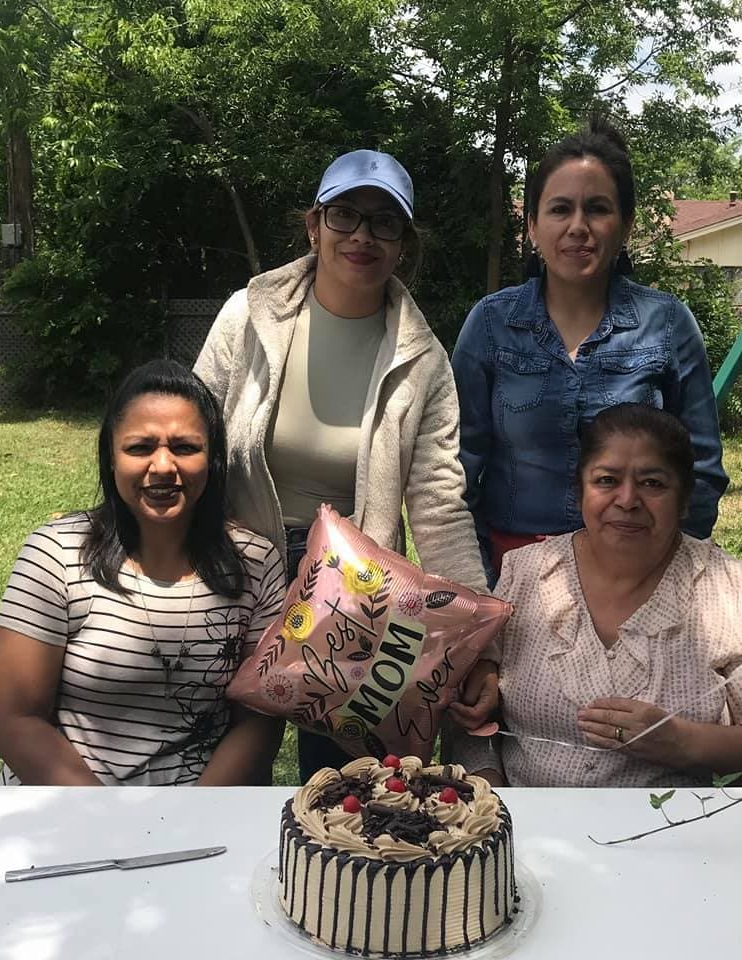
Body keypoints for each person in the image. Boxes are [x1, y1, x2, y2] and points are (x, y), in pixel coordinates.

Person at [193, 149, 489, 781]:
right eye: (345, 214)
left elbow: (439, 502)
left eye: (385, 222)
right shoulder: (249, 316)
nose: (362, 235)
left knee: (349, 783)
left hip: (355, 598)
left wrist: (475, 640)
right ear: (314, 225)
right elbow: (194, 439)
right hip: (239, 571)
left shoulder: (423, 360)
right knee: (220, 762)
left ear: (404, 243)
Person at [450, 404, 742, 788]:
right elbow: (467, 723)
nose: (628, 500)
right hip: (529, 832)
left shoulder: (730, 589)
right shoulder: (528, 574)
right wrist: (492, 796)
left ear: (683, 500)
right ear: (580, 490)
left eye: (653, 483)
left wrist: (683, 742)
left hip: (678, 838)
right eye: (607, 480)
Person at [451, 118, 729, 585]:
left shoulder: (667, 324)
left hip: (638, 575)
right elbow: (455, 476)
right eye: (560, 209)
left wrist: (660, 575)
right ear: (534, 227)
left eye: (597, 208)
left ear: (625, 224)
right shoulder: (491, 324)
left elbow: (702, 472)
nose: (578, 226)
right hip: (513, 575)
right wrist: (481, 591)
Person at [0, 360, 286, 785]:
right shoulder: (55, 552)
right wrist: (114, 823)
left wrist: (188, 822)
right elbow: (16, 721)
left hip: (202, 813)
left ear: (213, 458)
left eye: (185, 447)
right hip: (67, 808)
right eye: (140, 447)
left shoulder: (256, 563)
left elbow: (259, 721)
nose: (163, 465)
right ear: (111, 458)